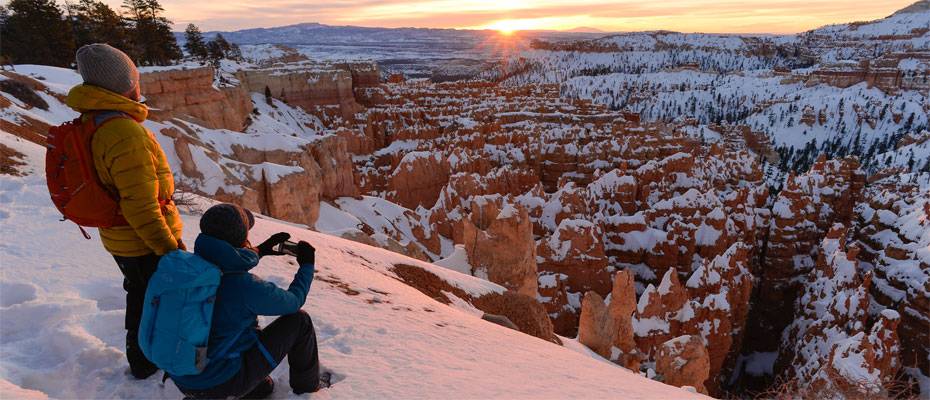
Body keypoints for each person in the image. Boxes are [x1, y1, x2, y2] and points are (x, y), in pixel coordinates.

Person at [65, 43, 183, 379]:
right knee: (152, 299)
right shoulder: (123, 132)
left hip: (121, 236)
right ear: (123, 84)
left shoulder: (95, 120)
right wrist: (169, 248)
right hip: (141, 239)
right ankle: (147, 364)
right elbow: (141, 205)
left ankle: (146, 359)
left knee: (142, 293)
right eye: (134, 77)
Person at [172, 203, 326, 399]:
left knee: (263, 386)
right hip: (221, 381)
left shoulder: (186, 268)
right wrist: (307, 265)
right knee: (299, 321)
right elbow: (293, 302)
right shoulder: (242, 285)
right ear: (240, 240)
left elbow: (223, 258)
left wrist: (260, 250)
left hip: (183, 374)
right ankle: (307, 389)